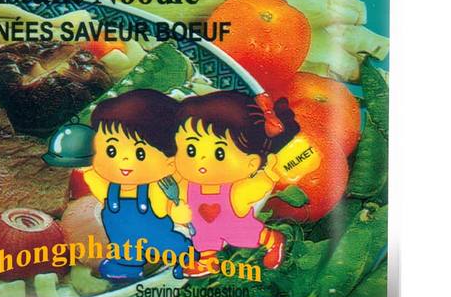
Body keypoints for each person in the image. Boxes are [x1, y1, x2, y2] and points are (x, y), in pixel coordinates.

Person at [173, 91, 297, 277]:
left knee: (248, 234)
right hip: (202, 226)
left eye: (219, 153)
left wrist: (268, 175)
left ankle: (272, 240)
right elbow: (174, 197)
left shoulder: (234, 190)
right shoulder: (186, 184)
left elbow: (254, 188)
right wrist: (177, 211)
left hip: (233, 223)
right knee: (204, 239)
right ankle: (207, 261)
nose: (201, 161)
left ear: (251, 163)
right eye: (191, 150)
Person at [81, 90, 193, 281]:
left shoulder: (159, 186)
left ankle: (187, 256)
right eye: (111, 150)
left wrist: (179, 212)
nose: (124, 160)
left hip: (156, 235)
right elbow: (91, 179)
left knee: (169, 244)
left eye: (140, 154)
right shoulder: (103, 182)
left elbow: (171, 205)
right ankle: (125, 265)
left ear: (171, 162)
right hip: (123, 241)